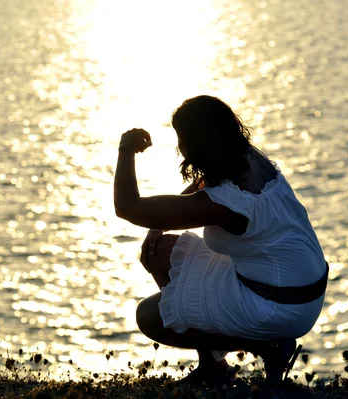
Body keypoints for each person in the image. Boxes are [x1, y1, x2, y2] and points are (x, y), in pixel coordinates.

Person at [113, 95, 328, 386]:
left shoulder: (226, 203)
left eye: (182, 139)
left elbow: (128, 207)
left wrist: (126, 149)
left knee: (150, 316)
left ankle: (268, 346)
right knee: (159, 250)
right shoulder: (249, 157)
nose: (180, 149)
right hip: (301, 283)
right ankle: (213, 366)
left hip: (280, 304)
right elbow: (206, 183)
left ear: (199, 142)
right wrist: (157, 227)